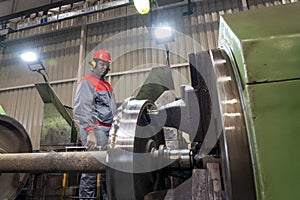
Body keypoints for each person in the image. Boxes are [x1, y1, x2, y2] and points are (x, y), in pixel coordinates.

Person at [74, 49, 116, 199]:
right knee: (92, 167)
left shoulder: (107, 86)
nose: (103, 67)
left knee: (107, 169)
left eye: (106, 65)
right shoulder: (87, 82)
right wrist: (90, 132)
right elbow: (81, 108)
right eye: (101, 64)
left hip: (107, 130)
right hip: (95, 130)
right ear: (94, 63)